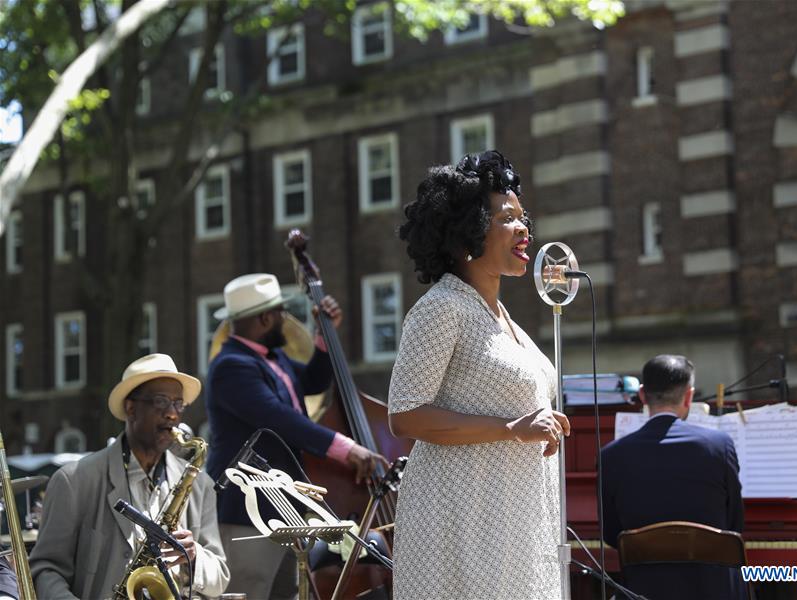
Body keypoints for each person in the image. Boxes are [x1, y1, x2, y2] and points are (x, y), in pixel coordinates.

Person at [388, 150, 569, 599]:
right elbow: (405, 415)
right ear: (467, 231)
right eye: (507, 217)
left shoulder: (503, 316)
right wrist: (512, 428)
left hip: (514, 522)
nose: (524, 228)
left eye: (524, 217)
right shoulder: (442, 308)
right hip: (461, 526)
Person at [204, 273, 388, 600]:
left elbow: (314, 382)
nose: (284, 321)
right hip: (247, 511)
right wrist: (347, 449)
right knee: (249, 593)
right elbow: (279, 419)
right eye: (279, 314)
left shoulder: (271, 359)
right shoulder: (231, 366)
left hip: (284, 509)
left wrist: (325, 335)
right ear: (264, 318)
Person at [29, 353, 230, 599]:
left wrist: (194, 556)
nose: (172, 414)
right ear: (131, 408)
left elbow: (220, 577)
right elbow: (45, 570)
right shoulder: (74, 480)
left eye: (178, 403)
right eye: (160, 401)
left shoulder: (200, 484)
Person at [600, 354, 745, 600]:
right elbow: (733, 525)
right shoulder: (720, 445)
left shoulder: (610, 454)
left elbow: (612, 534)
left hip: (644, 591)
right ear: (689, 396)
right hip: (714, 591)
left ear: (643, 395)